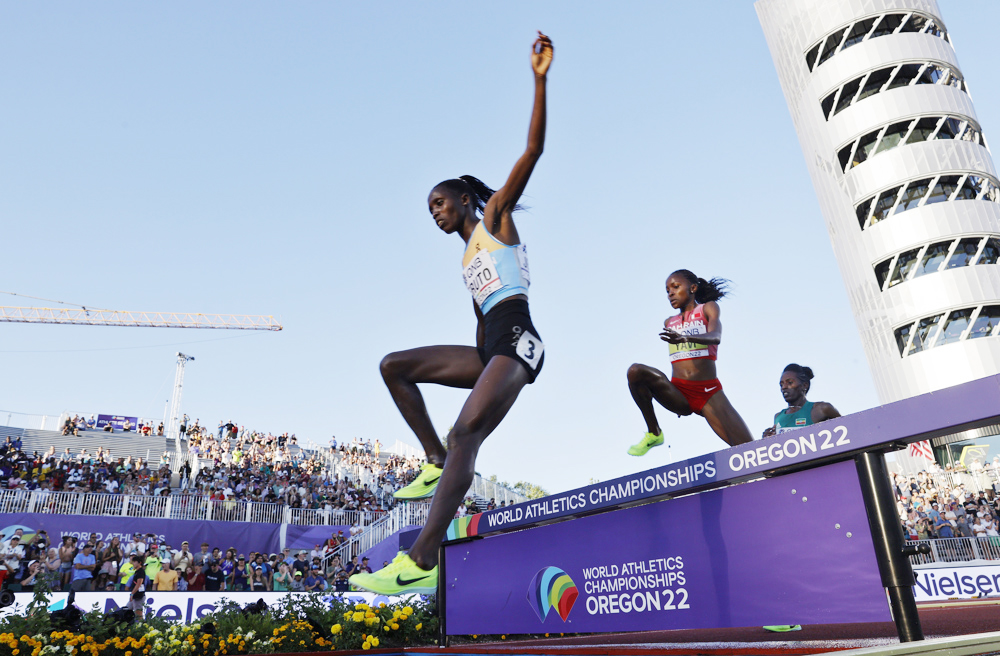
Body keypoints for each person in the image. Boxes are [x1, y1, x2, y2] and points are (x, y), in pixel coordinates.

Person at [354, 31, 554, 597]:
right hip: (491, 344)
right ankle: (434, 459)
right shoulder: (467, 258)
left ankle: (421, 559)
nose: (434, 213)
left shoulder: (495, 219)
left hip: (518, 339)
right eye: (429, 210)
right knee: (394, 365)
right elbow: (479, 318)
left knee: (467, 430)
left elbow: (533, 152)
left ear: (464, 199)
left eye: (438, 203)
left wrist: (539, 80)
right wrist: (478, 358)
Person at [626, 270, 753, 456]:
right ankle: (654, 433)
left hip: (709, 392)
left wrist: (685, 338)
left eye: (675, 287)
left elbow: (715, 336)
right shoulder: (669, 322)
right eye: (667, 290)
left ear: (693, 288)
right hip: (679, 393)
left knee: (751, 450)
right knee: (635, 371)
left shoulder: (708, 308)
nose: (670, 293)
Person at [762, 364, 841, 437]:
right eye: (781, 384)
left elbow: (845, 430)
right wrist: (768, 439)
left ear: (804, 385)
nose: (784, 387)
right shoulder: (778, 417)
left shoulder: (821, 409)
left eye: (790, 382)